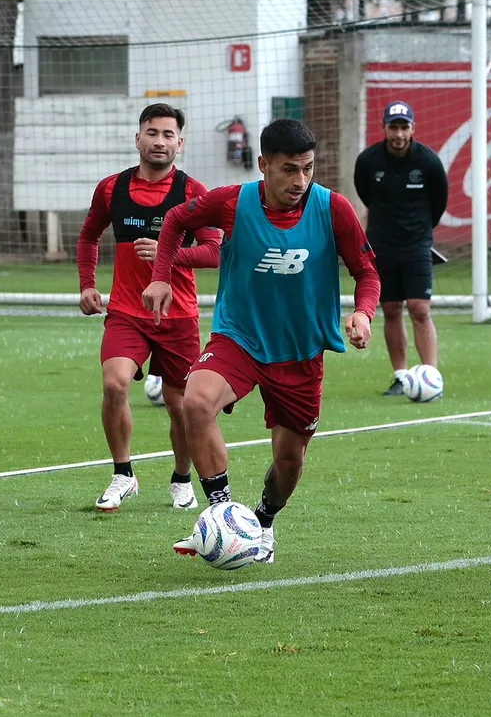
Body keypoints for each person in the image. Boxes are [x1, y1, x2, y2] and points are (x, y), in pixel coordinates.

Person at [142, 118, 379, 564]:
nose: (300, 180)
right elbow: (175, 220)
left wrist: (363, 313)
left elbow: (366, 272)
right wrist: (161, 277)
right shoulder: (232, 202)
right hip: (240, 337)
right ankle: (223, 516)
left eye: (308, 168)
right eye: (289, 169)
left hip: (301, 352)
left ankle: (263, 522)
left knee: (290, 461)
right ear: (263, 165)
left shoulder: (333, 209)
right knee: (196, 402)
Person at [77, 103, 222, 513]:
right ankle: (123, 474)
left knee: (180, 406)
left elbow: (214, 251)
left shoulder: (194, 193)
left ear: (180, 143)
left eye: (168, 135)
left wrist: (168, 253)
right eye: (152, 133)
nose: (160, 141)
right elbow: (89, 237)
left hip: (179, 316)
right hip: (126, 312)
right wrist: (87, 284)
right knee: (114, 385)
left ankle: (181, 479)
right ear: (138, 138)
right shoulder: (111, 189)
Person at [353, 101, 448, 396]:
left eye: (404, 127)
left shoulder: (429, 162)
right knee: (391, 309)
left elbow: (439, 202)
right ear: (383, 128)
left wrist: (417, 230)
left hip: (417, 245)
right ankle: (401, 377)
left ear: (412, 128)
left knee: (420, 309)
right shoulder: (368, 161)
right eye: (393, 127)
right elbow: (365, 194)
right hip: (381, 245)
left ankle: (431, 378)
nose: (398, 134)